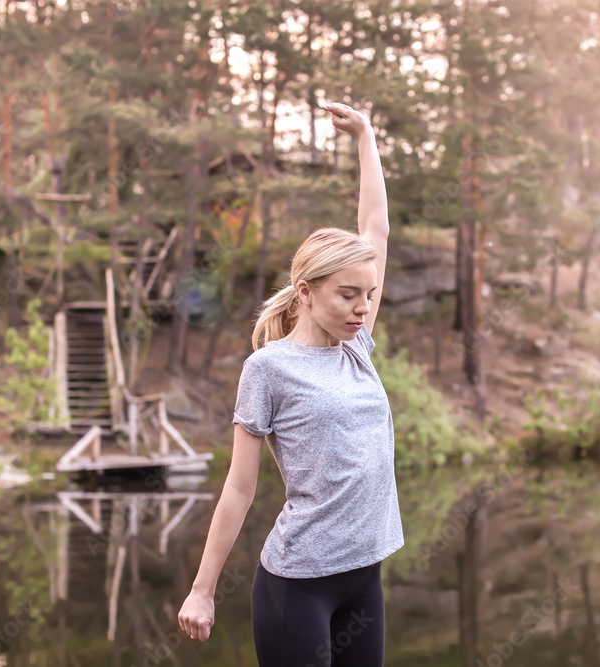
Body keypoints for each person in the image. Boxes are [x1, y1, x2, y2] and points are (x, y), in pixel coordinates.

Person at [177, 102, 402, 667]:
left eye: (368, 295)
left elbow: (375, 228)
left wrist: (366, 139)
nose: (362, 306)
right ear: (306, 292)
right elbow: (238, 488)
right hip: (298, 584)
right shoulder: (269, 369)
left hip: (364, 578)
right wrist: (203, 589)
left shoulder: (356, 346)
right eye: (347, 294)